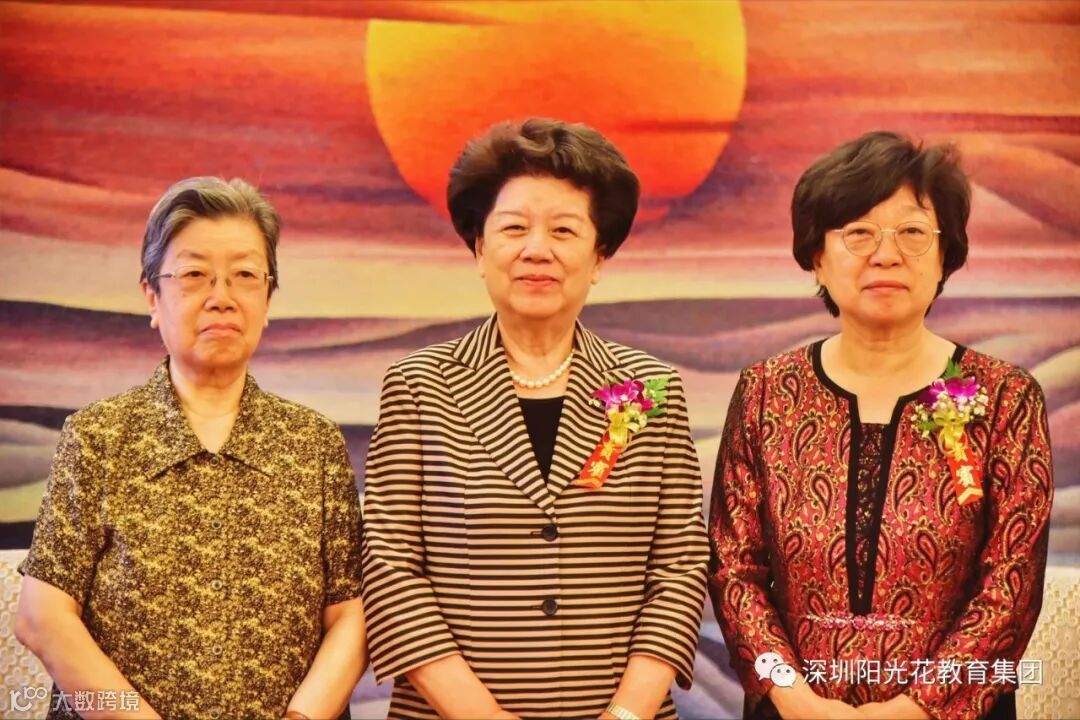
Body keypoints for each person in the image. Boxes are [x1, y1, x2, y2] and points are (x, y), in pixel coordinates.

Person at [360, 118, 709, 719]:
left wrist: (626, 714)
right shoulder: (419, 385)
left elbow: (679, 565)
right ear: (480, 248)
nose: (536, 250)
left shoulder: (649, 390)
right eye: (514, 228)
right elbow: (390, 567)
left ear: (599, 256)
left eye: (564, 230)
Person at [708, 131, 1053, 720]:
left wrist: (915, 708)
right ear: (817, 256)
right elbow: (734, 568)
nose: (886, 255)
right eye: (859, 233)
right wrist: (793, 696)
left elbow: (1010, 585)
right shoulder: (766, 392)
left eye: (912, 233)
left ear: (945, 257)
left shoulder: (1005, 398)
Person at [15, 177, 367, 720]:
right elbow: (42, 618)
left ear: (267, 300)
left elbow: (351, 613)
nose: (221, 297)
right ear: (151, 296)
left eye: (245, 275)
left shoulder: (313, 443)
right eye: (194, 274)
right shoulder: (98, 437)